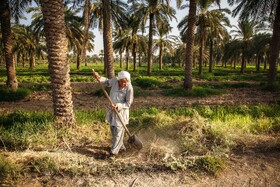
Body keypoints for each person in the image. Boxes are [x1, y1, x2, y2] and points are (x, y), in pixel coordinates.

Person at [93, 70, 134, 158]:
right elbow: (107, 82)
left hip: (121, 113)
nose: (123, 84)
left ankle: (113, 153)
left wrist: (118, 105)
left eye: (125, 82)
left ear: (128, 81)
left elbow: (128, 103)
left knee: (118, 132)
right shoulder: (115, 80)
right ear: (119, 80)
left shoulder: (129, 88)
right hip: (112, 111)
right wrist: (99, 77)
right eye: (121, 82)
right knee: (113, 129)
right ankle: (121, 147)